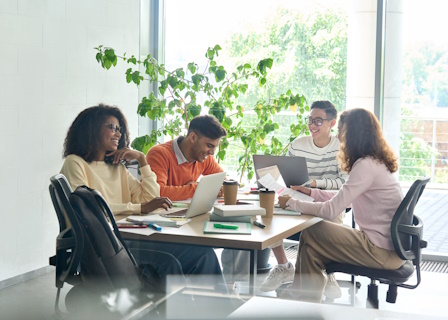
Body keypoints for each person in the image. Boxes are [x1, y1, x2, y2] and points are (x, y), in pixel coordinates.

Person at [60, 104, 226, 292]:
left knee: (205, 255)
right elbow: (89, 210)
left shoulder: (117, 167)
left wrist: (142, 159)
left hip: (129, 237)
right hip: (105, 247)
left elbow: (150, 198)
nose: (117, 134)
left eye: (119, 129)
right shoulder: (75, 163)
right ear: (91, 128)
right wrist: (139, 209)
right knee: (168, 263)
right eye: (111, 127)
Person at [278, 108, 405, 302]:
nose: (338, 136)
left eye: (341, 131)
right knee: (312, 253)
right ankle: (304, 305)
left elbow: (331, 210)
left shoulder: (365, 165)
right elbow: (344, 196)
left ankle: (299, 298)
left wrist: (292, 203)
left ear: (354, 134)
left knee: (311, 229)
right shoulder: (374, 162)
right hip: (386, 248)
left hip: (381, 251)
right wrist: (312, 193)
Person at [260, 101, 347, 298]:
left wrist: (315, 184)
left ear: (332, 123)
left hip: (328, 200)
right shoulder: (298, 145)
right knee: (269, 214)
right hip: (297, 195)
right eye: (310, 120)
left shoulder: (341, 148)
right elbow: (285, 174)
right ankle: (283, 266)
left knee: (331, 217)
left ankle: (326, 271)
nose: (312, 125)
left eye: (318, 121)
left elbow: (344, 184)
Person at [146, 114, 227, 201]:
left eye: (214, 147)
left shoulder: (204, 157)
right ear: (193, 137)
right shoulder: (159, 154)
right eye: (209, 145)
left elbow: (223, 182)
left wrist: (194, 187)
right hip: (160, 214)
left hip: (187, 212)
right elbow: (157, 193)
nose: (212, 152)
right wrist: (197, 188)